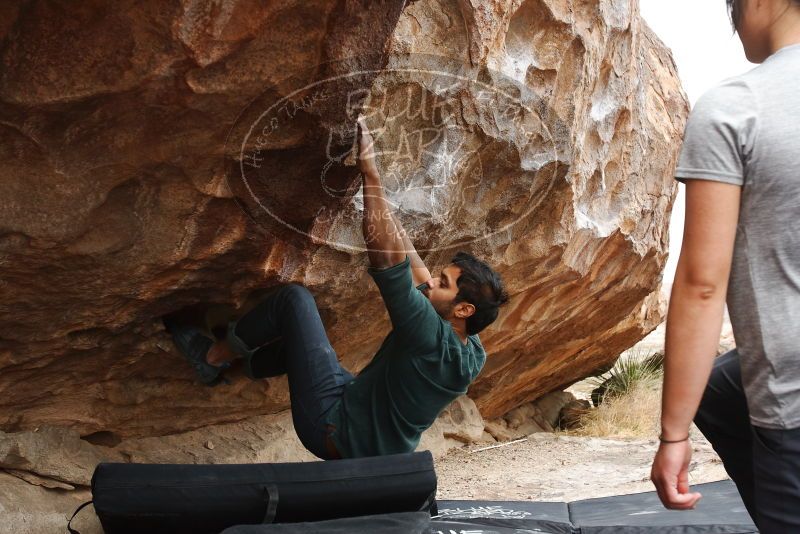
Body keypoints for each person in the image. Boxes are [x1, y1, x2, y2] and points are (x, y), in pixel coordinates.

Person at [165, 116, 508, 460]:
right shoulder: (472, 351)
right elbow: (415, 268)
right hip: (370, 438)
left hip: (332, 429)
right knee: (300, 345)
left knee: (295, 303)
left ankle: (211, 358)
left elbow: (388, 263)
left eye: (443, 284)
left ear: (463, 309)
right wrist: (384, 202)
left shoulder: (427, 334)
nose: (432, 281)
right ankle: (228, 373)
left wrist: (369, 173)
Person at [649, 1, 800, 531]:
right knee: (720, 387)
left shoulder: (738, 107)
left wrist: (673, 436)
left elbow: (702, 285)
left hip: (793, 402)